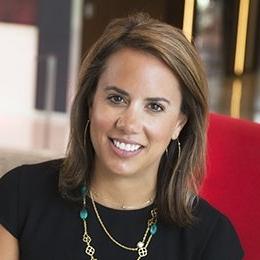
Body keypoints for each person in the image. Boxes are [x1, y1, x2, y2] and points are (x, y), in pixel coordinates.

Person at [0, 13, 243, 260]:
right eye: (116, 98)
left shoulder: (213, 240)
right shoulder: (20, 195)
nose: (129, 124)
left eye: (155, 107)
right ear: (90, 102)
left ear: (179, 123)